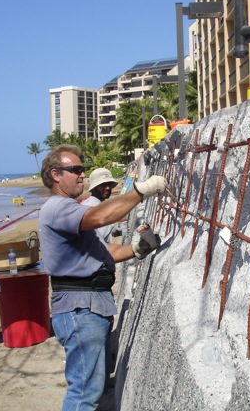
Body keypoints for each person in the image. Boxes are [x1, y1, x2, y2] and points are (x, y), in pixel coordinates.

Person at [39, 145, 167, 411]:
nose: (82, 175)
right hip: (80, 308)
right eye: (75, 170)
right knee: (84, 394)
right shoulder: (58, 208)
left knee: (90, 388)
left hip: (88, 305)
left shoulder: (69, 209)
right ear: (55, 175)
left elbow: (101, 251)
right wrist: (141, 191)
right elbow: (98, 216)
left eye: (82, 170)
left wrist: (134, 250)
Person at [82, 168, 120, 245]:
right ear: (94, 187)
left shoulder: (101, 205)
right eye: (103, 185)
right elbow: (98, 237)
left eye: (109, 184)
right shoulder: (88, 208)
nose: (108, 188)